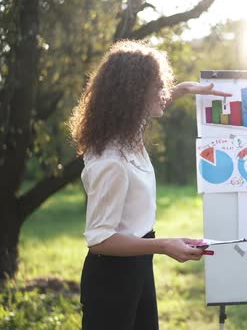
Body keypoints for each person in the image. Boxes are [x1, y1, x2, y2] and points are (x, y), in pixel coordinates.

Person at [68, 40, 231, 330]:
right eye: (157, 86)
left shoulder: (128, 134)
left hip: (137, 266)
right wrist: (165, 245)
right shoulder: (112, 160)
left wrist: (184, 90)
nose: (163, 92)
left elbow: (161, 101)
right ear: (133, 95)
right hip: (112, 280)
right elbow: (99, 240)